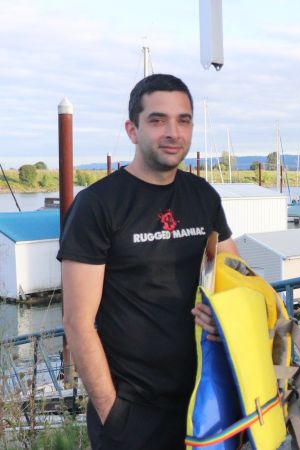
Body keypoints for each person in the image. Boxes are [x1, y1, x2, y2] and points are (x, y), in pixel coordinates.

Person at [58, 74, 238, 449]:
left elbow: (234, 281)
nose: (173, 132)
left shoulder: (203, 196)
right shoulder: (98, 205)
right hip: (133, 412)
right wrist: (112, 413)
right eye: (158, 120)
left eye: (183, 120)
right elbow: (77, 322)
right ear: (132, 129)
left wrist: (225, 315)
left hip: (204, 399)